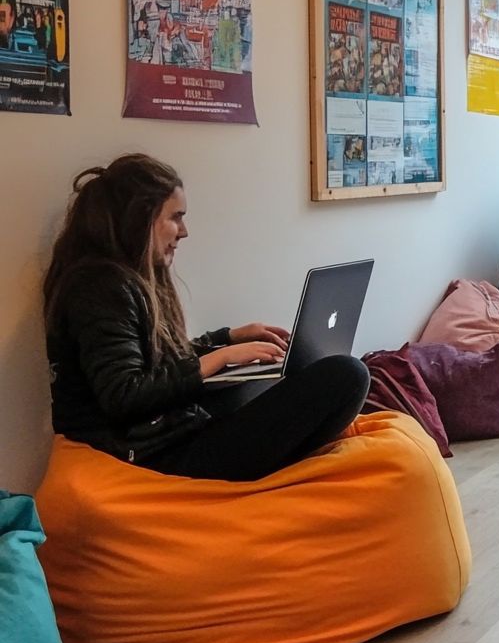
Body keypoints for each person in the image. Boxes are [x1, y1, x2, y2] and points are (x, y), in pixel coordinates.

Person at [42, 154, 370, 481]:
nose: (183, 232)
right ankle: (284, 469)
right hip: (152, 453)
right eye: (176, 218)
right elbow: (125, 395)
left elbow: (156, 361)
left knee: (267, 382)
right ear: (140, 219)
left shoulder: (121, 278)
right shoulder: (99, 288)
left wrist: (226, 338)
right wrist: (219, 359)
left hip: (164, 430)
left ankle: (284, 456)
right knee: (347, 374)